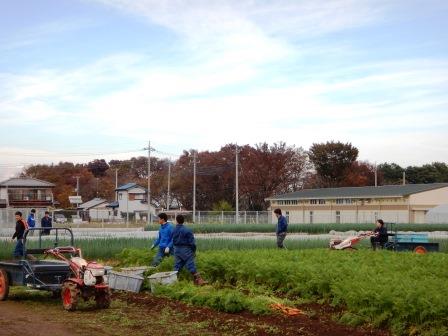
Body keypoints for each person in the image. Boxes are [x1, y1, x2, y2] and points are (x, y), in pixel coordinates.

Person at [172, 215, 207, 285]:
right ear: (183, 221)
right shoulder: (187, 230)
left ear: (176, 221)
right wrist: (193, 251)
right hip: (186, 250)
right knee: (191, 264)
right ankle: (199, 281)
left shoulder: (174, 230)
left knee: (177, 266)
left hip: (176, 249)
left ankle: (172, 281)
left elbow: (172, 240)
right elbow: (192, 243)